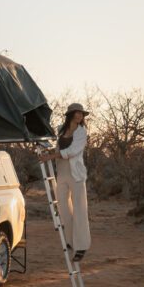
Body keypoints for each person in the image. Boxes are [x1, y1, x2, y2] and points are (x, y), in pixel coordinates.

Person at [41, 103, 91, 263]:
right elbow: (57, 147)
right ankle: (70, 241)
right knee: (63, 207)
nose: (79, 116)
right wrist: (50, 152)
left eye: (81, 114)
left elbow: (73, 151)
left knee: (79, 210)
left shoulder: (82, 132)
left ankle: (81, 246)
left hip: (76, 175)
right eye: (76, 113)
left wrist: (52, 156)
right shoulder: (61, 129)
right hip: (61, 173)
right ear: (70, 114)